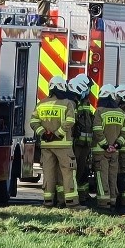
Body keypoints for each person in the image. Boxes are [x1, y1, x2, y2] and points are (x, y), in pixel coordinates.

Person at [29, 75, 82, 209]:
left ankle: (48, 202)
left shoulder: (41, 104)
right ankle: (71, 203)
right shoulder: (67, 103)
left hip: (47, 145)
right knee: (68, 172)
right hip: (63, 145)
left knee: (48, 173)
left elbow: (34, 122)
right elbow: (70, 121)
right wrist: (57, 134)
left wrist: (44, 133)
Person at [91, 83, 125, 210]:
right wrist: (116, 145)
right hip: (115, 152)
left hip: (101, 151)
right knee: (112, 177)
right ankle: (112, 201)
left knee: (102, 177)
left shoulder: (99, 111)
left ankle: (103, 203)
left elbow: (97, 130)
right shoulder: (121, 113)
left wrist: (106, 145)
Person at [68, 74, 95, 205]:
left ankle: (81, 195)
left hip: (85, 143)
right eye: (87, 88)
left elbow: (88, 121)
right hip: (76, 143)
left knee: (82, 170)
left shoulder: (85, 102)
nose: (88, 91)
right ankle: (72, 196)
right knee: (73, 170)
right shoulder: (73, 102)